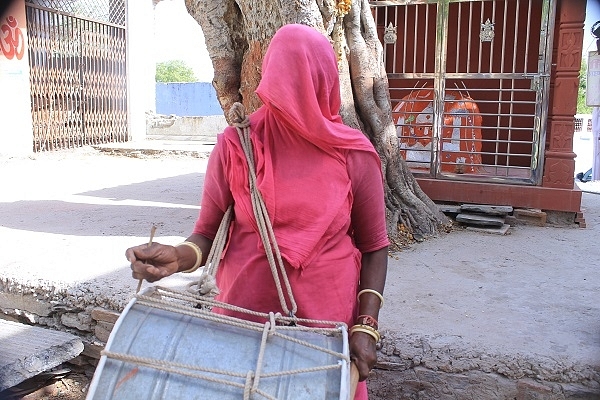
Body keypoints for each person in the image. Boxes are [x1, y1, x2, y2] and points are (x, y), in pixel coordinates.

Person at [126, 23, 389, 399]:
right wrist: (177, 258)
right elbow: (206, 233)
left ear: (323, 81)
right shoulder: (237, 143)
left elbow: (375, 245)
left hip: (324, 325)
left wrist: (365, 325)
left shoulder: (353, 153)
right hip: (241, 317)